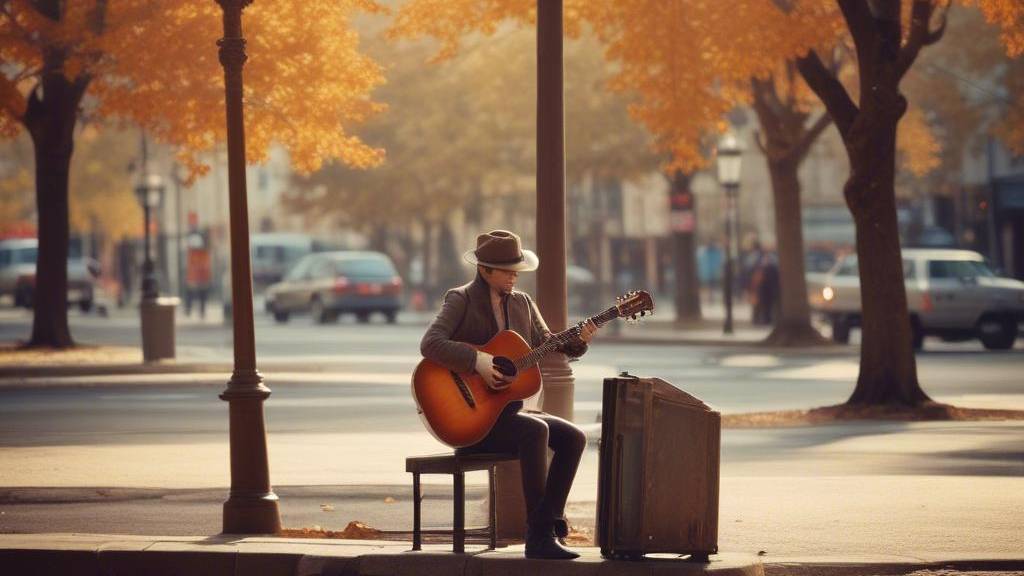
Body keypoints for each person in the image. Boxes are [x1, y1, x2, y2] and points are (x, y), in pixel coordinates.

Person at [420, 230, 598, 560]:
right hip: (472, 422)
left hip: (509, 413)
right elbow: (430, 344)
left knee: (574, 437)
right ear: (485, 270)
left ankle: (545, 524)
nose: (515, 275)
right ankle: (540, 537)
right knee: (537, 430)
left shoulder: (523, 304)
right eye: (508, 270)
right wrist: (479, 360)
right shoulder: (460, 299)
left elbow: (550, 342)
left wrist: (580, 339)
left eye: (518, 269)